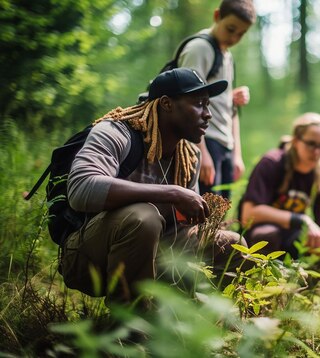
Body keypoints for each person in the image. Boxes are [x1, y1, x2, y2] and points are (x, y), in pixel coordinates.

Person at [62, 68, 248, 306]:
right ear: (167, 104)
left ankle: (190, 322)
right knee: (144, 217)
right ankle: (129, 328)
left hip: (154, 252)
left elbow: (182, 227)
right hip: (88, 257)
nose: (208, 114)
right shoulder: (115, 132)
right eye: (199, 104)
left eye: (208, 105)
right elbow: (81, 189)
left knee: (232, 244)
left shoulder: (189, 155)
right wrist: (171, 193)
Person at [238, 112, 320, 266]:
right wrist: (300, 219)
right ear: (296, 140)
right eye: (311, 144)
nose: (316, 152)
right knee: (268, 234)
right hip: (261, 235)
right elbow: (248, 214)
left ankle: (311, 284)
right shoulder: (272, 163)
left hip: (295, 236)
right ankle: (258, 282)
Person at [178, 0, 256, 199]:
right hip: (205, 140)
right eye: (231, 29)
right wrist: (200, 152)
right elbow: (187, 101)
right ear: (216, 16)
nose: (234, 37)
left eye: (241, 33)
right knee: (202, 212)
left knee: (219, 213)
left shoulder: (226, 55)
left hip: (224, 144)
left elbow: (231, 109)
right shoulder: (200, 48)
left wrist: (236, 153)